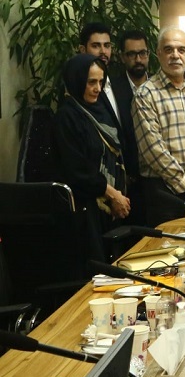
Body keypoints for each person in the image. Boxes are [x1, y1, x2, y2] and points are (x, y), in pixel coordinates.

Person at [133, 27, 185, 226]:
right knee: (170, 245)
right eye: (168, 49)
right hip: (164, 193)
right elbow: (153, 150)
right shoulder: (146, 94)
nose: (175, 55)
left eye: (181, 50)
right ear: (158, 54)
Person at [53, 54, 130, 262]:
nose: (97, 88)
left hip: (110, 211)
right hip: (86, 213)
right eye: (91, 82)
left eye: (101, 82)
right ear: (77, 80)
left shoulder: (101, 110)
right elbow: (76, 169)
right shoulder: (67, 116)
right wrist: (112, 194)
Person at [111, 29, 150, 229]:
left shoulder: (159, 86)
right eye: (132, 54)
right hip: (128, 182)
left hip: (157, 183)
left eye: (142, 53)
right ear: (122, 57)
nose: (138, 59)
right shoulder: (112, 89)